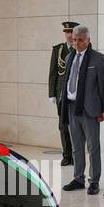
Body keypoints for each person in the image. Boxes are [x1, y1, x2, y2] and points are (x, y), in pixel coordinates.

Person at [59, 25, 104, 196]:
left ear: (88, 40)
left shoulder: (98, 58)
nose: (77, 43)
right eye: (74, 40)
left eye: (80, 40)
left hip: (90, 109)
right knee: (76, 146)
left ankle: (94, 181)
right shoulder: (69, 57)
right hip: (72, 107)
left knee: (93, 146)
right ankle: (78, 178)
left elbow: (103, 86)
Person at [46, 21, 78, 166]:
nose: (69, 35)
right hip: (61, 94)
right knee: (63, 125)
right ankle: (67, 155)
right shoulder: (58, 50)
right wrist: (52, 93)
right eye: (67, 32)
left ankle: (77, 154)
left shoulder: (81, 48)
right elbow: (53, 73)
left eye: (71, 32)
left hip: (76, 94)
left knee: (77, 126)